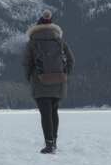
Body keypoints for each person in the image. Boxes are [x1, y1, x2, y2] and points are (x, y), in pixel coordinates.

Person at [23, 9, 75, 154]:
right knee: (53, 111)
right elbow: (71, 60)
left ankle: (49, 144)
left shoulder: (32, 43)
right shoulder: (60, 41)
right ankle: (54, 142)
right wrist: (65, 75)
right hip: (59, 82)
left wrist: (29, 78)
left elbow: (27, 63)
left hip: (40, 83)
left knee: (45, 113)